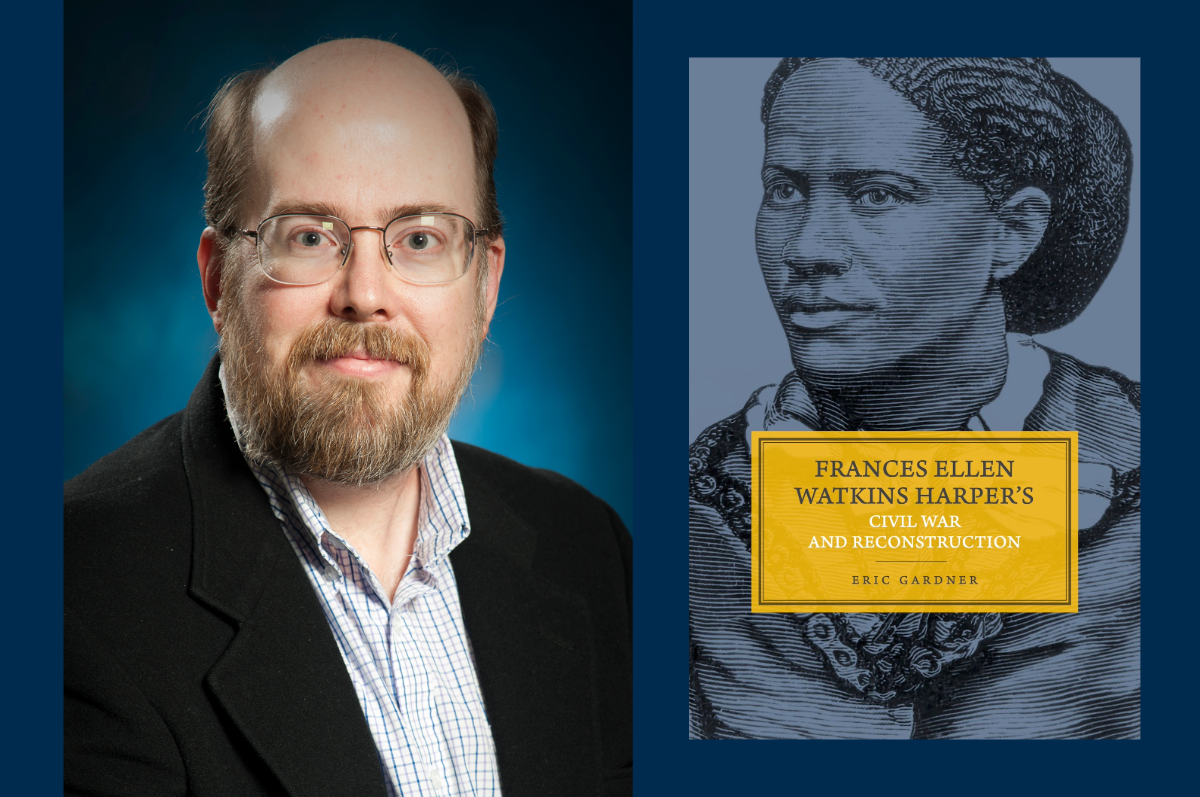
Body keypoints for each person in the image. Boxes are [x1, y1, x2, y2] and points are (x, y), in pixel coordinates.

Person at [65, 39, 632, 795]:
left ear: (485, 283)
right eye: (308, 236)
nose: (365, 292)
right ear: (216, 280)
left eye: (420, 238)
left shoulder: (588, 548)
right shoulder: (68, 591)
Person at [689, 58, 1139, 739]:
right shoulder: (699, 503)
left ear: (1013, 231)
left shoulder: (1138, 468)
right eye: (784, 190)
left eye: (877, 194)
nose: (807, 248)